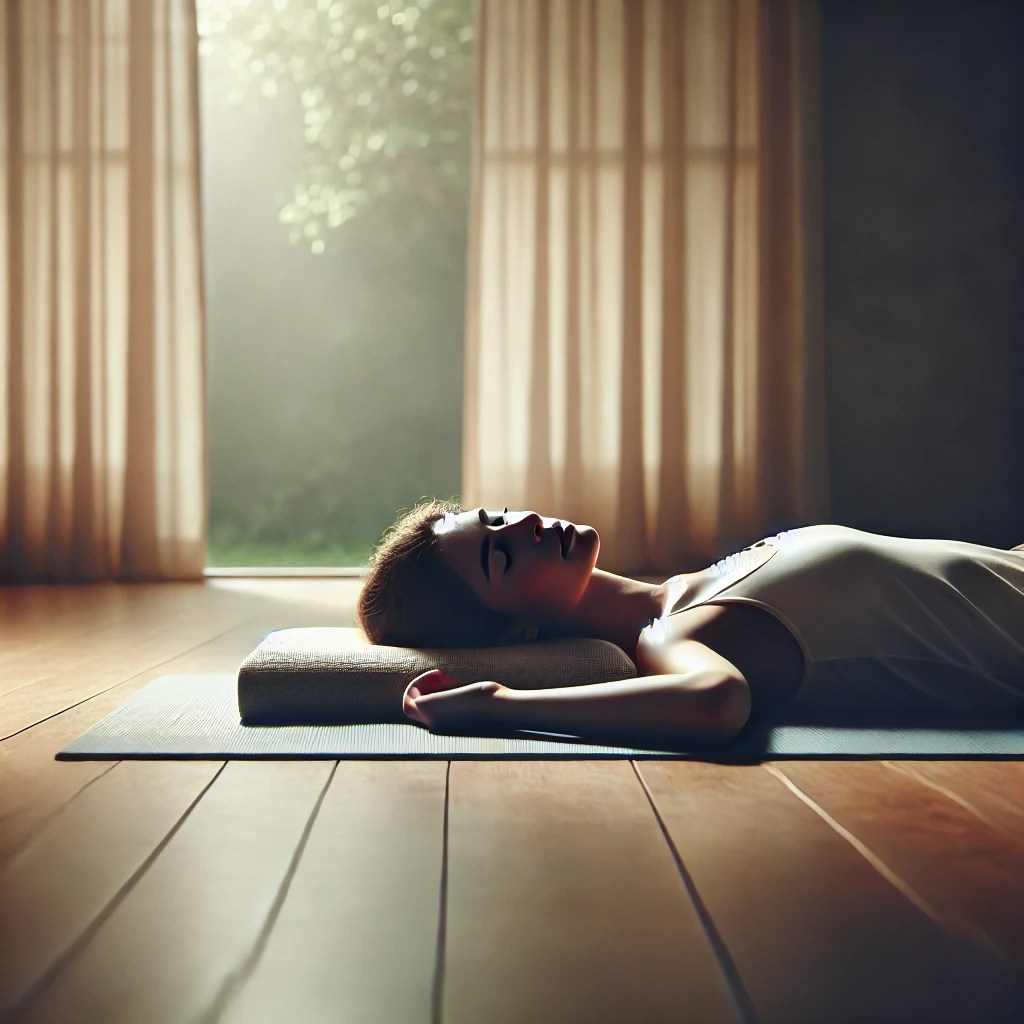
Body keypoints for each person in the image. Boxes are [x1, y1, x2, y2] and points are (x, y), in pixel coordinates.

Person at [357, 500, 1024, 749]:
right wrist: (502, 706)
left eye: (497, 517)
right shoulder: (673, 636)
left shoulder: (694, 582)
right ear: (516, 634)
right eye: (501, 555)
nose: (527, 525)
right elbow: (717, 700)